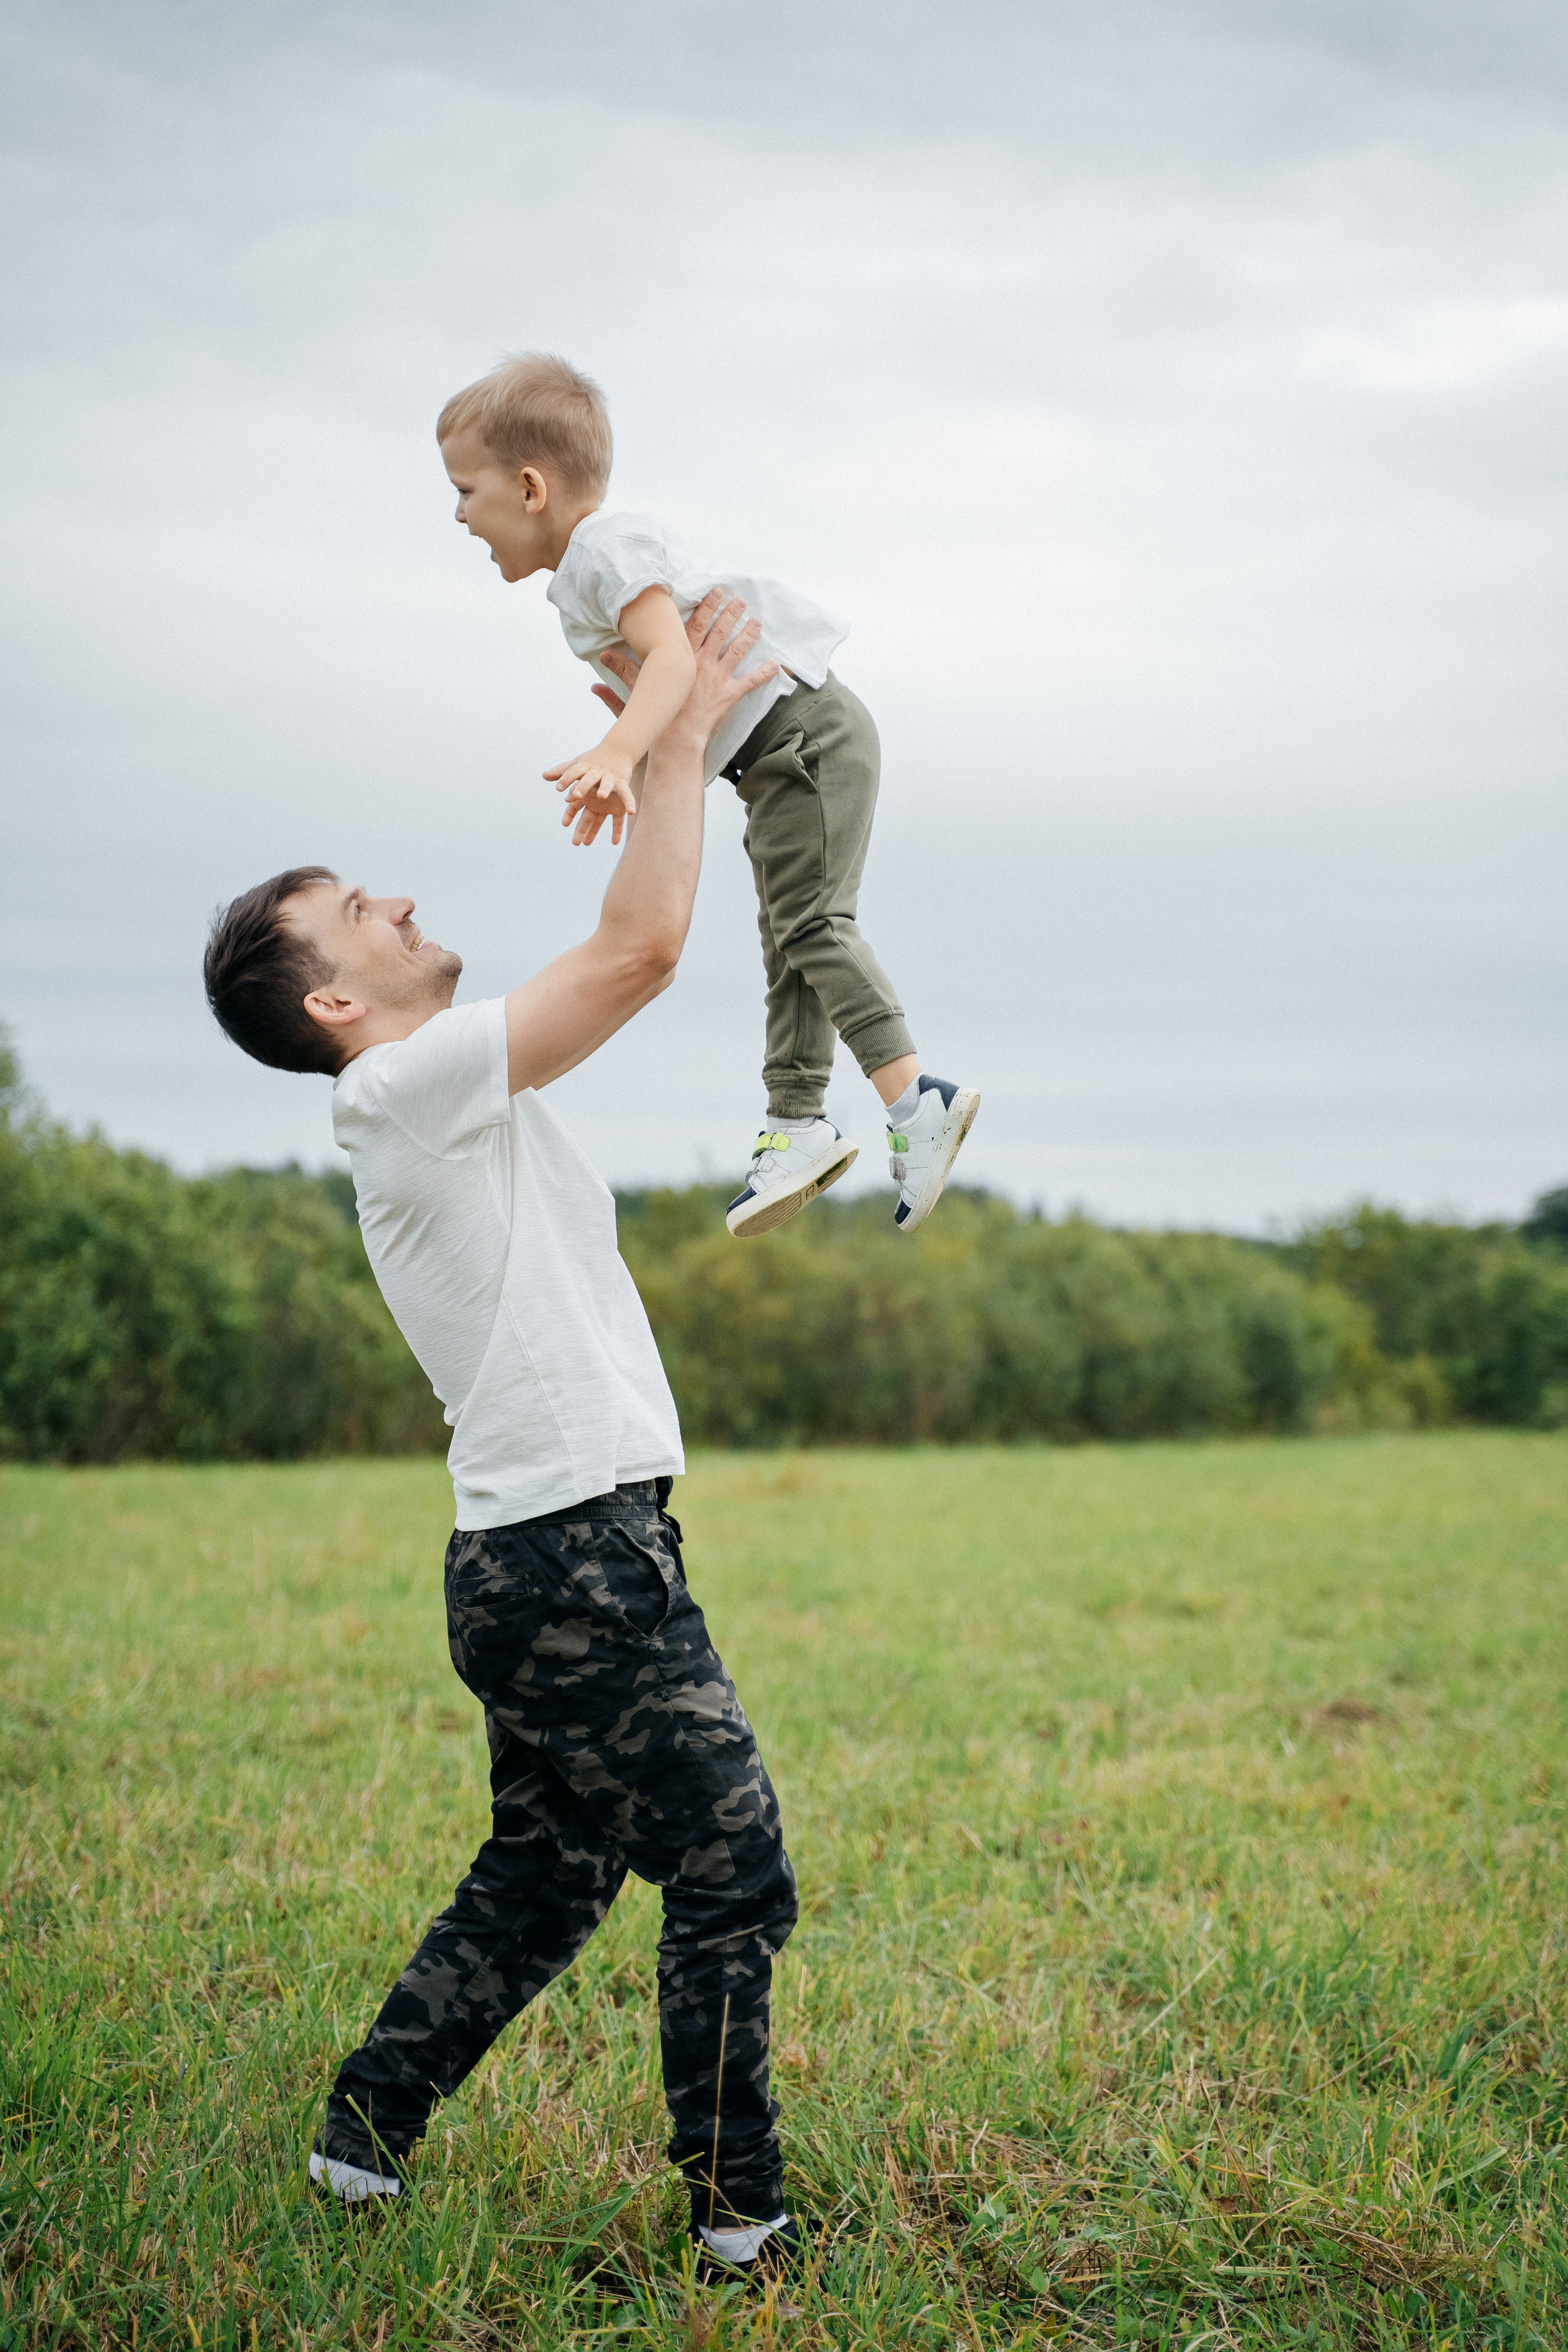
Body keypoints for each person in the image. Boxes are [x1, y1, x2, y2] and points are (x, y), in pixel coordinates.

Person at [202, 595, 805, 2282]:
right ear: (333, 1002)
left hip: (556, 1549)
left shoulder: (448, 1092)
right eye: (354, 911)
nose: (396, 898)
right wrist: (677, 733)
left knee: (549, 1873)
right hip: (569, 1560)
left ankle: (359, 2146)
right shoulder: (390, 1091)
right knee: (734, 1871)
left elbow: (620, 964)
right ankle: (741, 2222)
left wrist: (664, 729)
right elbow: (639, 953)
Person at [435, 352, 979, 1242]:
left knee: (812, 928)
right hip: (774, 759)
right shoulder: (582, 580)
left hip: (808, 738)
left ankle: (917, 1100)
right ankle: (798, 1124)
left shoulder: (604, 552)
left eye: (465, 490)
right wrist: (637, 776)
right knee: (788, 938)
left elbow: (678, 662)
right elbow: (670, 697)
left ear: (530, 488)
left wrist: (619, 748)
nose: (459, 515)